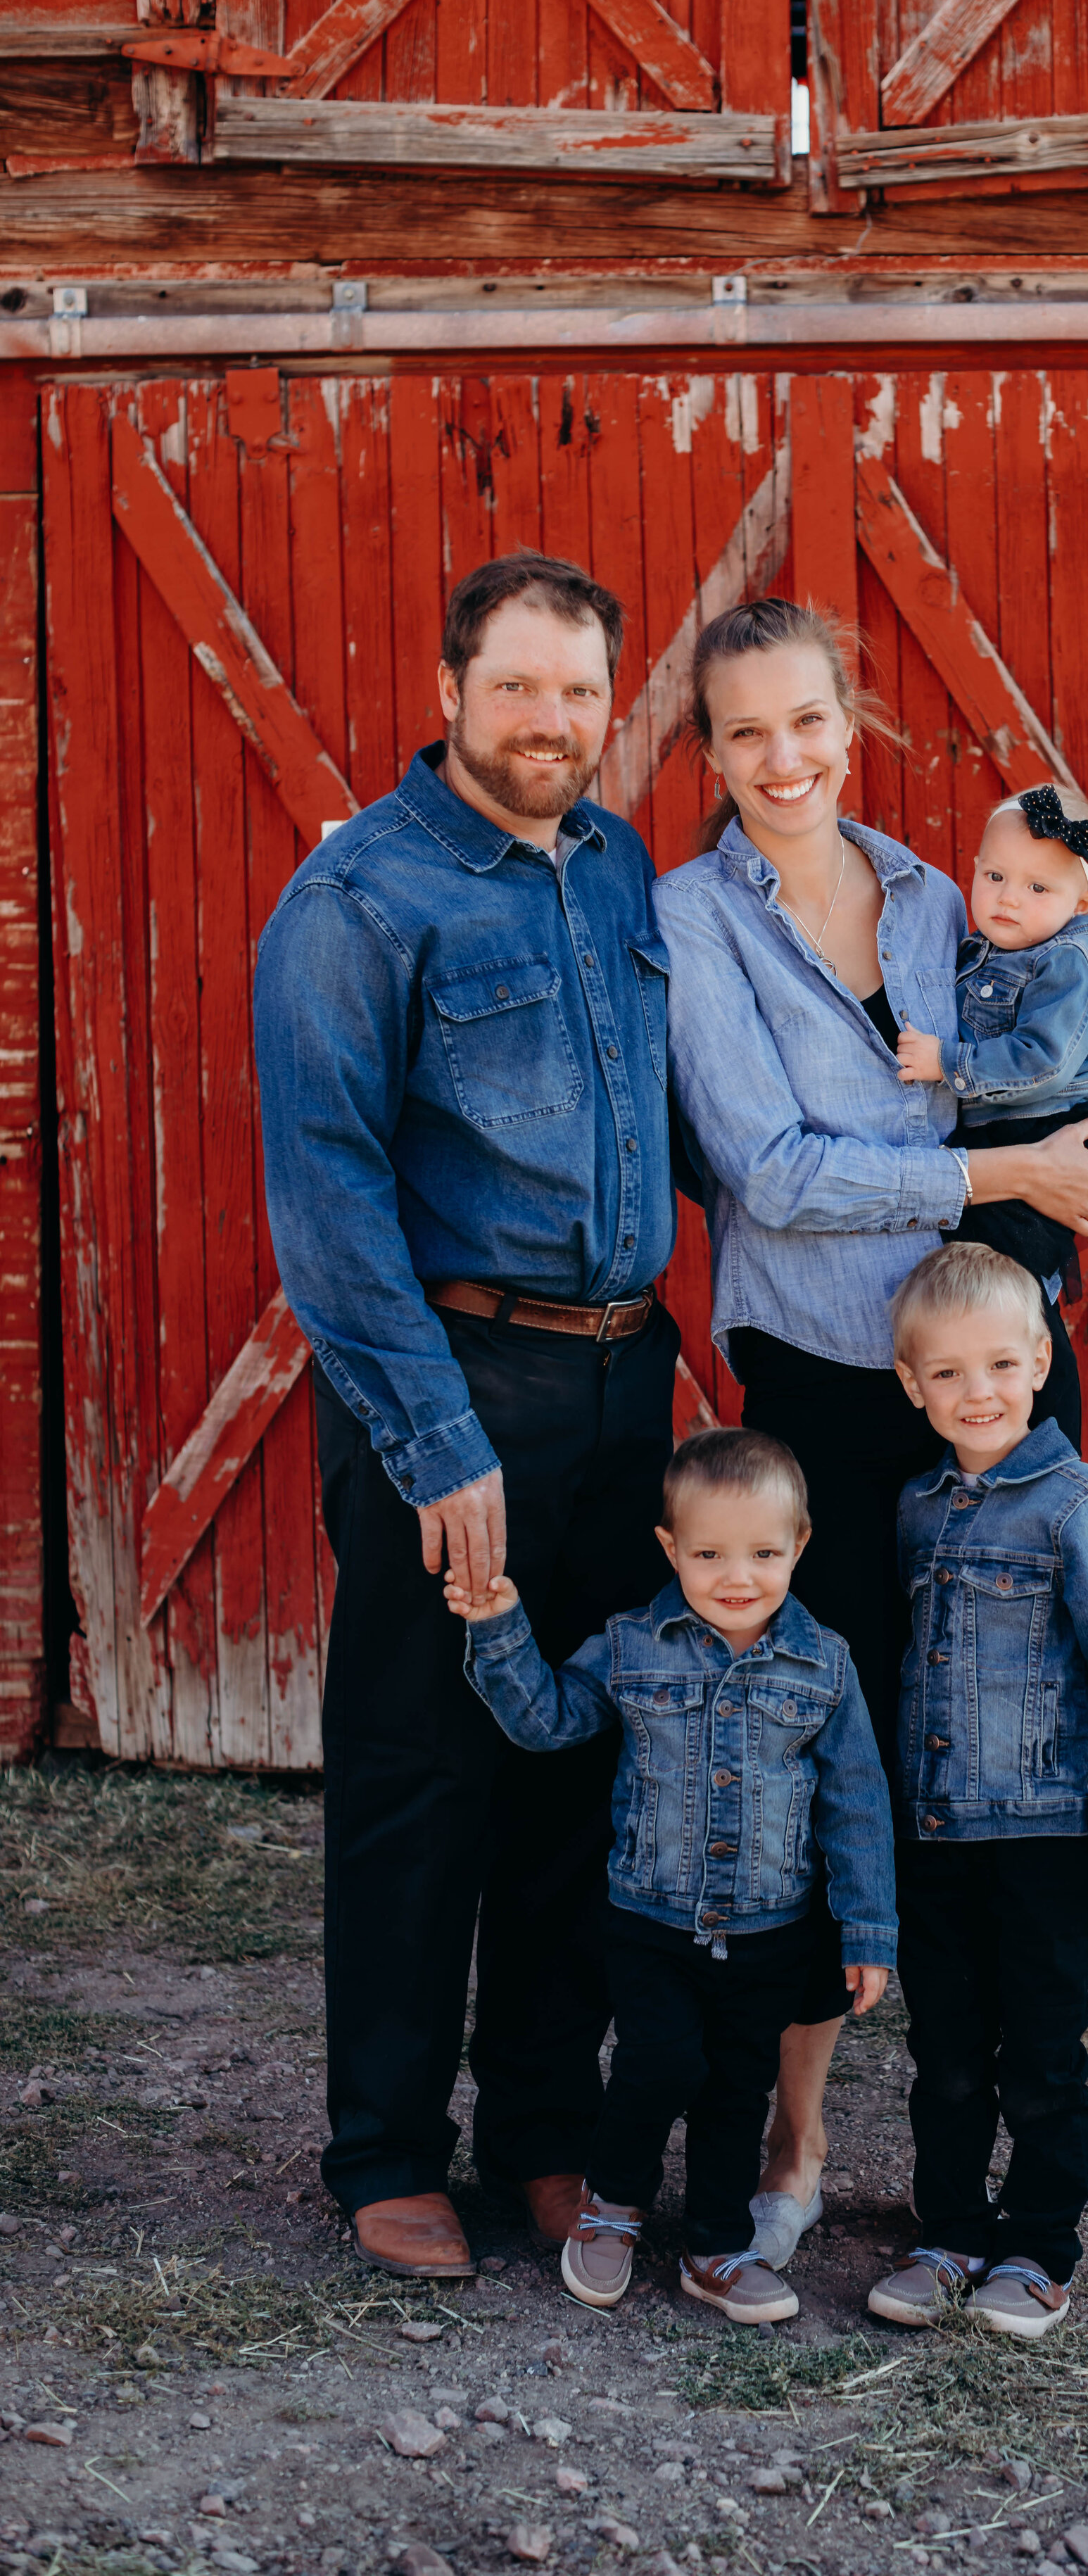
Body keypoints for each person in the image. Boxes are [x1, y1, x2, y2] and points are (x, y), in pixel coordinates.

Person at [652, 598, 1088, 2268]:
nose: (785, 759)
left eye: (809, 721)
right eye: (745, 732)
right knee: (822, 1731)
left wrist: (1087, 1156)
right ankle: (792, 2123)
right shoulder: (691, 919)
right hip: (826, 1392)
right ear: (705, 753)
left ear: (851, 722)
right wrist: (1004, 1174)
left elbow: (1056, 1072)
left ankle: (1004, 2128)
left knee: (1002, 1730)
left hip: (988, 1378)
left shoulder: (942, 894)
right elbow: (767, 1167)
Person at [254, 553, 679, 2283]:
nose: (552, 723)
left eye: (579, 691)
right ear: (448, 689)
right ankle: (382, 2146)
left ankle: (543, 2134)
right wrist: (440, 1446)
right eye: (518, 687)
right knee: (425, 1776)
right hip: (450, 1377)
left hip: (622, 1373)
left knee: (577, 1764)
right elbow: (330, 1195)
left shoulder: (617, 864)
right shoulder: (358, 902)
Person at [443, 1429, 896, 2325]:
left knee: (736, 2088)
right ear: (670, 1549)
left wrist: (868, 1933)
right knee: (660, 2063)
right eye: (710, 1553)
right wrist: (496, 1623)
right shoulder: (631, 1646)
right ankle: (610, 2207)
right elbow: (546, 1721)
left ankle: (717, 2246)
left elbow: (857, 1807)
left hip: (772, 1926)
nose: (739, 1576)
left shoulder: (824, 1665)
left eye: (765, 1553)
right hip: (651, 1920)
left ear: (800, 1545)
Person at [866, 1243, 1088, 2339]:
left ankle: (1036, 2248)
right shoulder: (914, 1508)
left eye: (999, 1364)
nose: (975, 1392)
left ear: (1041, 1362)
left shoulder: (1082, 1510)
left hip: (1047, 1833)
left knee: (1039, 2050)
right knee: (943, 2049)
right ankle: (946, 2232)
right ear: (912, 1384)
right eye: (946, 1373)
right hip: (940, 1831)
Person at [895, 781, 1088, 1452]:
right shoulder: (983, 945)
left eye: (1039, 888)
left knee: (1011, 1287)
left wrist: (948, 1063)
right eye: (995, 875)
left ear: (1085, 902)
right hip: (992, 1135)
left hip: (1036, 1128)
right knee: (977, 1286)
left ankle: (1040, 1418)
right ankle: (974, 1405)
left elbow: (1041, 1061)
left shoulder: (1066, 962)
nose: (1009, 897)